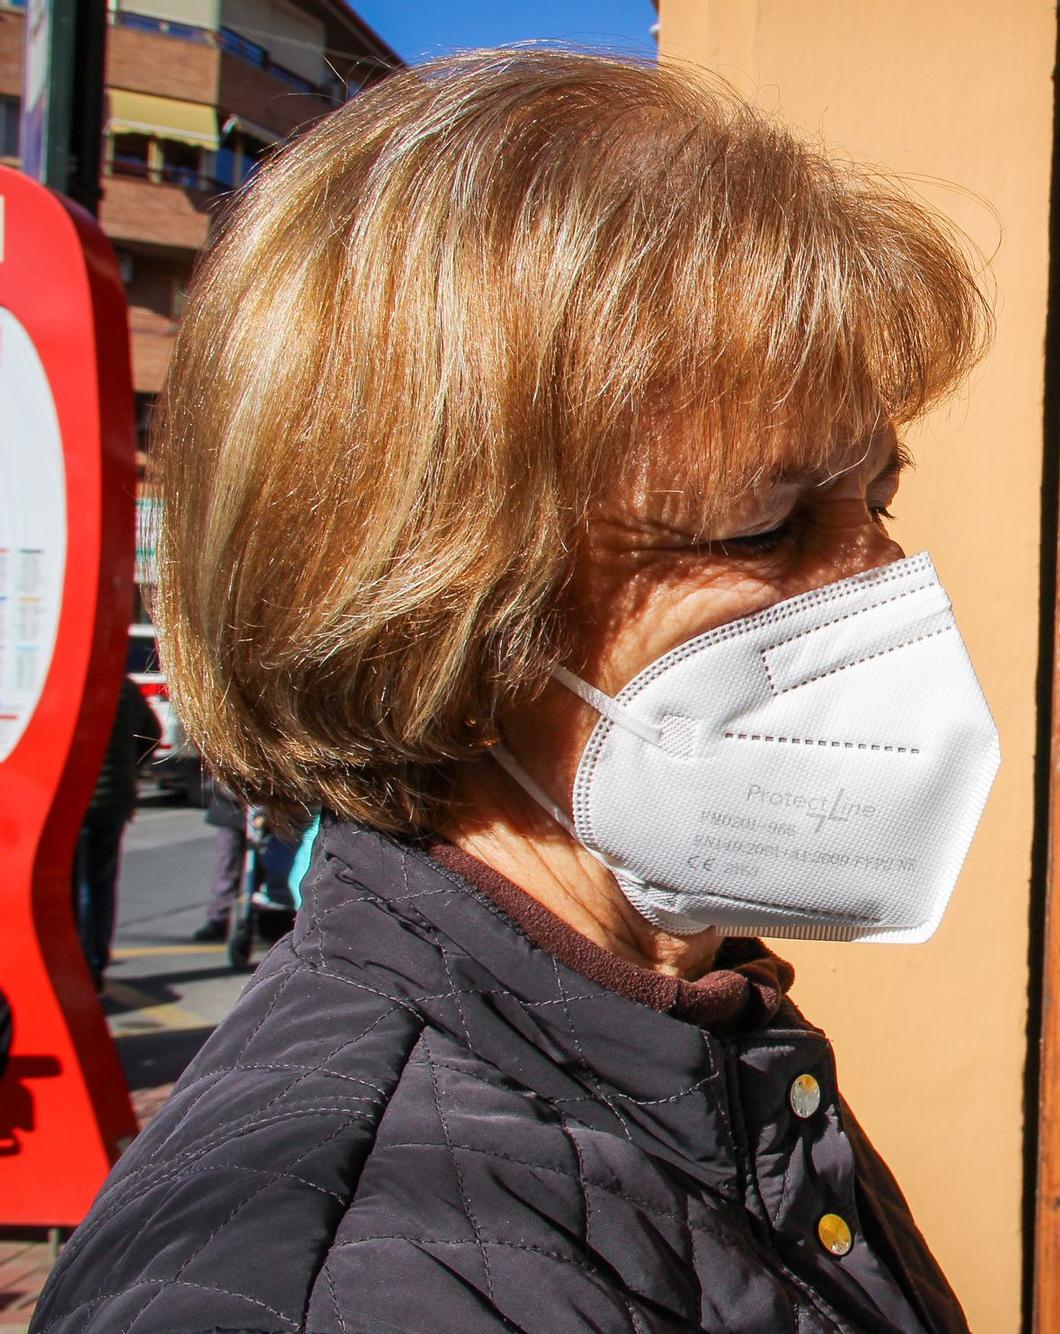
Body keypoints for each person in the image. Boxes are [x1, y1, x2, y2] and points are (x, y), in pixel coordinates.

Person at [34, 49, 997, 1333]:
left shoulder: (688, 1042)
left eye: (875, 499)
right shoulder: (345, 1280)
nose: (882, 586)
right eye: (765, 528)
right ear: (435, 605)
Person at [72, 674, 161, 988]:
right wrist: (132, 766)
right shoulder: (124, 688)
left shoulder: (66, 683)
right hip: (116, 800)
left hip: (74, 800)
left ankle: (81, 961)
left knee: (76, 885)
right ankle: (97, 958)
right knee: (101, 882)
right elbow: (153, 734)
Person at [189, 773, 242, 942]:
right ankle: (218, 917)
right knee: (227, 861)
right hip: (231, 798)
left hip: (272, 802)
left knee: (270, 860)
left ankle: (265, 916)